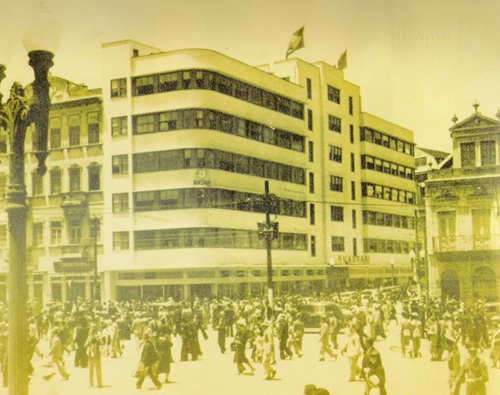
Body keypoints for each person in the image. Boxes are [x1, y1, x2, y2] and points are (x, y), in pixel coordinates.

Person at [85, 324, 103, 388]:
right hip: (90, 354)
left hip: (97, 354)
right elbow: (85, 345)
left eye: (94, 328)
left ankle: (99, 383)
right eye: (92, 328)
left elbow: (101, 342)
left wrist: (97, 338)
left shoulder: (98, 334)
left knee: (98, 369)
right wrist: (89, 340)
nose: (93, 330)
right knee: (90, 370)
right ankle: (91, 384)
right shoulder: (89, 336)